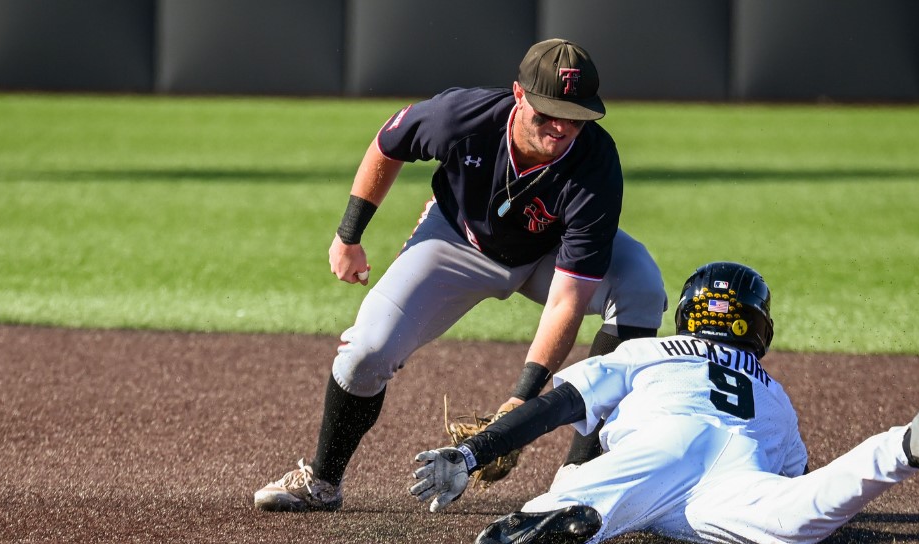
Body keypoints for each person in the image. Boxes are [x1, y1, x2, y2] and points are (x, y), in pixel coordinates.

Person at [254, 39, 667, 511]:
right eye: (548, 111)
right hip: (458, 241)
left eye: (575, 114)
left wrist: (521, 401)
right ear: (519, 94)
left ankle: (583, 483)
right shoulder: (460, 118)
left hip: (549, 256)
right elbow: (388, 144)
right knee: (366, 352)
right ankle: (322, 482)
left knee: (641, 288)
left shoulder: (595, 163)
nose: (562, 126)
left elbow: (567, 299)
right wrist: (349, 236)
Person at [409, 262, 919, 544]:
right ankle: (902, 446)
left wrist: (473, 451)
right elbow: (796, 473)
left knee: (556, 509)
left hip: (662, 445)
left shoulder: (647, 349)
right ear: (758, 327)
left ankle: (571, 510)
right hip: (740, 462)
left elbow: (558, 405)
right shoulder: (773, 390)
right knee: (794, 517)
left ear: (687, 315)